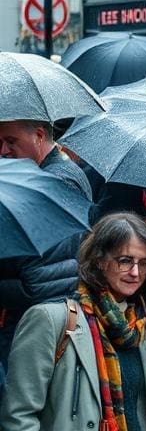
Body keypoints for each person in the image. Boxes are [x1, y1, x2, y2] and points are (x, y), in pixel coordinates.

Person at [0, 212, 146, 431]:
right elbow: (18, 416)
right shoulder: (51, 319)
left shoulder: (138, 324)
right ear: (100, 260)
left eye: (143, 263)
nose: (135, 272)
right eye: (125, 261)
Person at [0, 119, 92, 371]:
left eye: (11, 141)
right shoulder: (60, 173)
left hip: (36, 325)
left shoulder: (50, 184)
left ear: (39, 135)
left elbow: (39, 284)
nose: (4, 151)